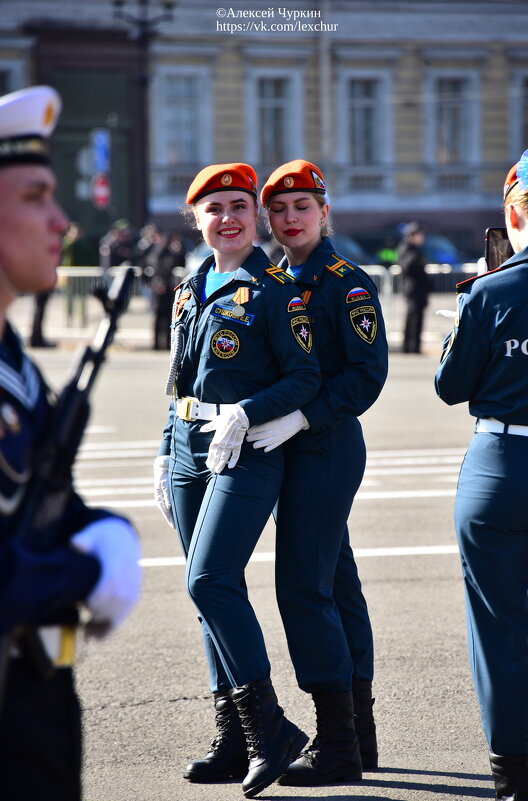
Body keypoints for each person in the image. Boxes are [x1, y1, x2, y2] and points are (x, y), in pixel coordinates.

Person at [152, 162, 321, 798]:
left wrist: (251, 411)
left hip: (246, 447)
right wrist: (165, 454)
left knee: (210, 579)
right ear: (195, 219)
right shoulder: (190, 287)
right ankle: (231, 736)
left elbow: (305, 377)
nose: (228, 218)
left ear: (256, 219)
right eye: (215, 208)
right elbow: (178, 380)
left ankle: (268, 731)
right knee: (206, 595)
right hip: (191, 447)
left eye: (240, 208)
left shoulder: (276, 290)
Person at [0, 85, 142, 801]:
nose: (60, 219)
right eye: (34, 196)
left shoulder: (15, 364)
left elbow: (34, 495)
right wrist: (78, 575)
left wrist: (98, 528)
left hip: (32, 705)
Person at [245, 160, 388, 785]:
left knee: (304, 589)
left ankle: (336, 746)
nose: (290, 218)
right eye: (278, 209)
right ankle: (361, 737)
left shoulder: (344, 282)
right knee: (338, 584)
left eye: (303, 206)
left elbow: (365, 375)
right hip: (290, 447)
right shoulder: (276, 277)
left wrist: (304, 417)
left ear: (325, 212)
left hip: (324, 443)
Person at [435, 146, 528, 801]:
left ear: (512, 212)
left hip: (500, 464)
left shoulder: (489, 292)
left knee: (497, 623)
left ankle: (509, 778)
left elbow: (449, 386)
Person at [396, 221, 430, 353]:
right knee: (413, 318)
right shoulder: (407, 249)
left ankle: (414, 345)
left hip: (419, 289)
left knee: (417, 317)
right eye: (418, 235)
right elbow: (407, 267)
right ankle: (410, 346)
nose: (421, 238)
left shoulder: (415, 249)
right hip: (412, 288)